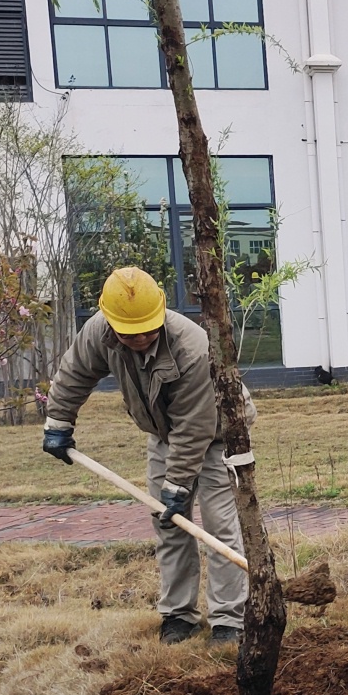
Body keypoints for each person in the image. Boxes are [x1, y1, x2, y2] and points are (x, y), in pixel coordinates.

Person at [41, 267, 247, 647]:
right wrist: (58, 421)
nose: (140, 338)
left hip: (220, 434)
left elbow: (195, 426)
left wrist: (177, 485)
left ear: (160, 313)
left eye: (148, 331)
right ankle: (179, 616)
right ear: (110, 321)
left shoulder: (192, 347)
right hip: (164, 434)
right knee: (169, 523)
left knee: (220, 527)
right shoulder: (100, 331)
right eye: (129, 333)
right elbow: (74, 373)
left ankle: (229, 621)